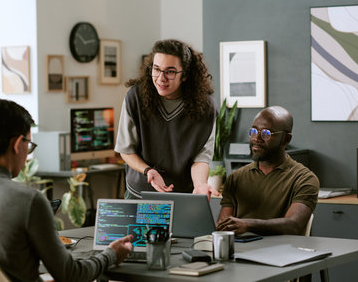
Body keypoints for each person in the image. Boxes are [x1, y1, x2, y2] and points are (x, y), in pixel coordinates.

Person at [0, 99, 133, 282]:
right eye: (29, 145)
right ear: (17, 144)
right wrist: (111, 254)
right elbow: (71, 275)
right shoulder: (28, 201)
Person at [115, 39, 220, 199]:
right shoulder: (135, 97)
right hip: (140, 195)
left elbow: (201, 157)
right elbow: (126, 150)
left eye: (170, 72)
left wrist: (200, 185)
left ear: (184, 75)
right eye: (156, 69)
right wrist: (148, 170)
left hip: (182, 195)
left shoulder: (206, 108)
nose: (161, 78)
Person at [216, 106, 319, 235]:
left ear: (286, 139)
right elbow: (223, 226)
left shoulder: (304, 179)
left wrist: (248, 225)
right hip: (240, 250)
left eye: (266, 133)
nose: (256, 138)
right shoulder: (235, 178)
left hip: (282, 251)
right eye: (253, 131)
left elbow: (294, 225)